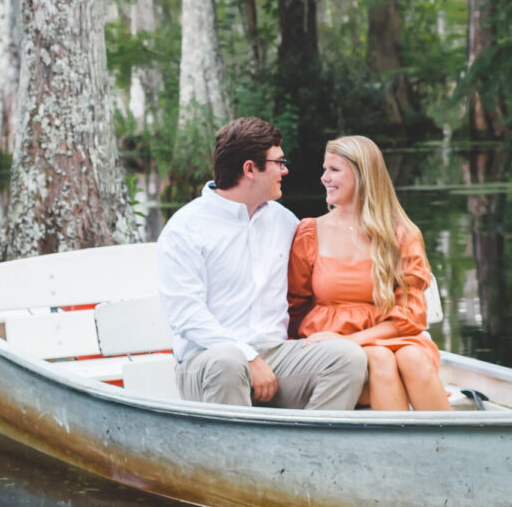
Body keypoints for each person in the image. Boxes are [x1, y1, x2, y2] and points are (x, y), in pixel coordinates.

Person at [157, 117, 367, 409]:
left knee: (348, 358)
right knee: (229, 361)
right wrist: (248, 357)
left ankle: (307, 449)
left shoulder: (285, 222)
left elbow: (322, 280)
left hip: (276, 355)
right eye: (278, 162)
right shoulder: (186, 228)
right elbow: (187, 315)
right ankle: (232, 454)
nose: (285, 170)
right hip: (207, 359)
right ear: (250, 169)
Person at [287, 134, 449, 411]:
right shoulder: (309, 232)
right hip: (332, 349)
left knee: (413, 358)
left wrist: (351, 340)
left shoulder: (402, 234)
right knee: (379, 359)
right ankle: (396, 451)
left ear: (363, 175)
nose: (324, 178)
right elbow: (294, 306)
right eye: (324, 169)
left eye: (334, 170)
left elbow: (411, 315)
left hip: (391, 337)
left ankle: (452, 447)